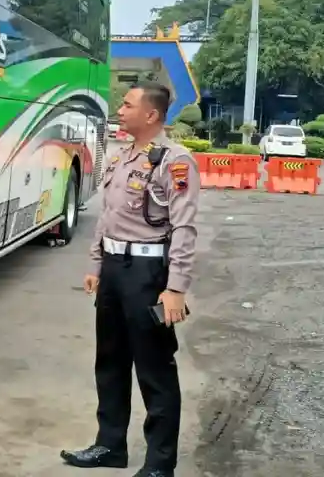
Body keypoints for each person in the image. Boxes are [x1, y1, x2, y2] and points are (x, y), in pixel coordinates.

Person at [60, 82, 200, 477]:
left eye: (127, 105)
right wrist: (95, 264)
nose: (120, 110)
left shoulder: (175, 162)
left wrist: (175, 288)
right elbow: (108, 217)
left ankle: (159, 465)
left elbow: (185, 228)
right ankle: (110, 444)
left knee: (154, 369)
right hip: (115, 272)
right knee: (110, 361)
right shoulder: (124, 157)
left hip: (148, 274)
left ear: (151, 115)